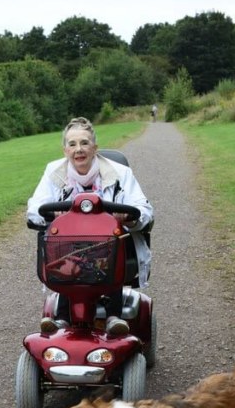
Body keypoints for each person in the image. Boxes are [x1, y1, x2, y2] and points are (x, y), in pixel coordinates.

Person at [27, 117, 154, 336]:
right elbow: (34, 209)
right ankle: (63, 320)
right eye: (72, 144)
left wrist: (129, 216)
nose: (79, 149)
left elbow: (144, 210)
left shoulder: (120, 173)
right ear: (65, 150)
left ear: (95, 147)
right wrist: (50, 213)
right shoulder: (53, 172)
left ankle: (114, 316)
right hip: (70, 249)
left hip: (109, 249)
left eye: (84, 143)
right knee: (70, 256)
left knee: (106, 251)